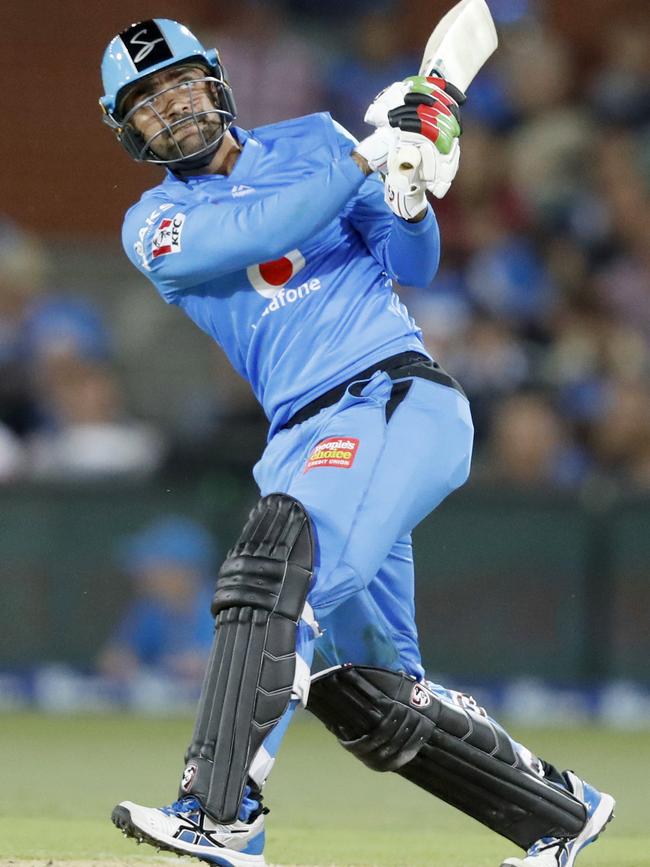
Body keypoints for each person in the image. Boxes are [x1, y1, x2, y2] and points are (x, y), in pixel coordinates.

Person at [99, 18, 614, 867]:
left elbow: (413, 260)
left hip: (390, 398)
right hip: (302, 435)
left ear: (217, 82)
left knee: (274, 563)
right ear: (130, 131)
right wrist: (372, 158)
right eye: (147, 102)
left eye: (181, 82)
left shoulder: (311, 139)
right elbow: (259, 234)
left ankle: (219, 812)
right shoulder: (153, 222)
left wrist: (409, 188)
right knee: (366, 695)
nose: (171, 106)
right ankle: (560, 814)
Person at [98, 516, 217, 683]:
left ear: (184, 571)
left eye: (154, 566)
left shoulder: (225, 609)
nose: (141, 574)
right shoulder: (149, 609)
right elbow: (114, 656)